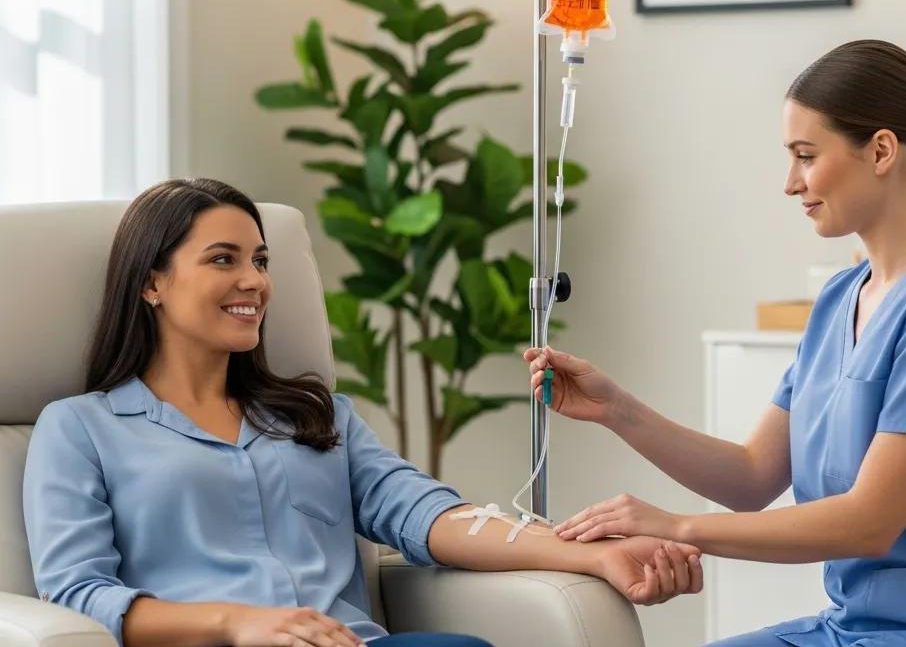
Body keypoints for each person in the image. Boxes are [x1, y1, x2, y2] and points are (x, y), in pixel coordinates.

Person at [22, 178, 705, 647]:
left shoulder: (316, 417)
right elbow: (79, 593)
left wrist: (594, 556)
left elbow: (427, 515)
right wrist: (238, 624)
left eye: (260, 260)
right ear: (152, 282)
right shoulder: (80, 428)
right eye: (222, 260)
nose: (254, 281)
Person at [524, 39, 906, 647]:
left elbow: (870, 522)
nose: (791, 183)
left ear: (882, 150)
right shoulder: (841, 298)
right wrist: (617, 409)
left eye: (806, 156)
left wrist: (677, 526)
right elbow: (753, 475)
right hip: (852, 626)